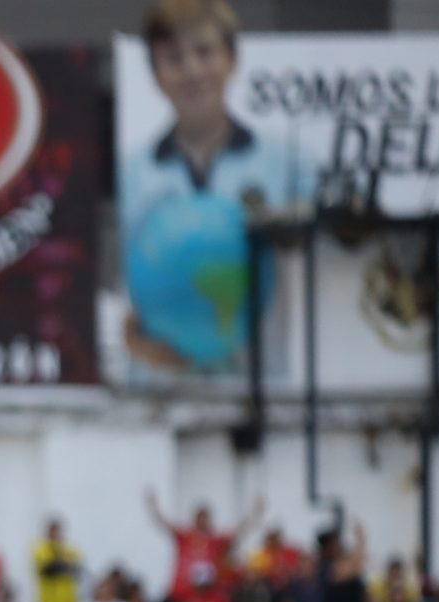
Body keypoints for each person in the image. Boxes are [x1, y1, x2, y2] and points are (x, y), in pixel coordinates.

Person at [119, 0, 304, 377]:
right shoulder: (130, 172)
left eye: (204, 52)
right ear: (155, 75)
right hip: (157, 394)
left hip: (260, 390)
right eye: (174, 58)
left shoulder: (286, 163)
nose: (192, 71)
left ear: (232, 60)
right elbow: (112, 289)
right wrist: (128, 338)